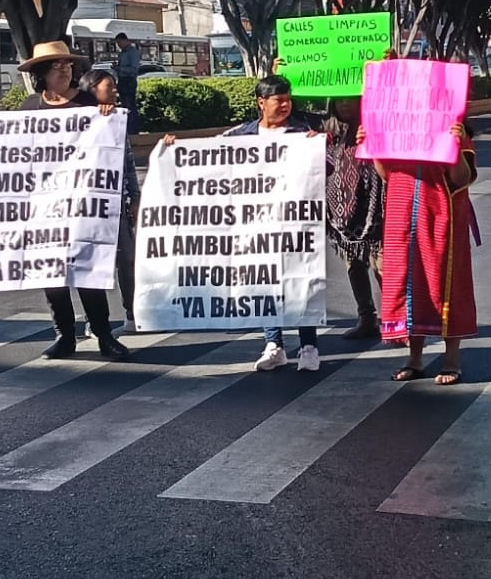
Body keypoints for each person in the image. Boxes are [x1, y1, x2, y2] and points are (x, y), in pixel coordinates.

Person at [167, 76, 326, 371]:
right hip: (257, 225)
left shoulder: (303, 133)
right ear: (261, 103)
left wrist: (316, 148)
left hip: (295, 223)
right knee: (264, 280)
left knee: (301, 280)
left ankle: (308, 347)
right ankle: (274, 344)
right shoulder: (241, 136)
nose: (285, 105)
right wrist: (175, 147)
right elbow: (205, 156)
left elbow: (324, 170)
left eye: (288, 99)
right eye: (279, 100)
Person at [359, 84, 478, 387]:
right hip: (401, 217)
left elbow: (462, 179)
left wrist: (453, 146)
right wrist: (372, 146)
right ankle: (415, 359)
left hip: (441, 217)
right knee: (409, 284)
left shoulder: (453, 130)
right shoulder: (395, 128)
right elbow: (388, 174)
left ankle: (453, 360)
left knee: (445, 284)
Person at [19, 41, 130, 361]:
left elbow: (111, 148)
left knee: (86, 271)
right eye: (58, 66)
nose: (66, 69)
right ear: (42, 73)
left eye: (69, 64)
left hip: (83, 204)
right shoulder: (29, 108)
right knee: (51, 273)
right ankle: (64, 335)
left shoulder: (88, 103)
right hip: (44, 207)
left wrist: (107, 116)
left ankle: (103, 334)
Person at [78, 67, 140, 336]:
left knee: (127, 261)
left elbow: (127, 163)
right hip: (86, 207)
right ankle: (96, 321)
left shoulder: (117, 121)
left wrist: (134, 197)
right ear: (92, 90)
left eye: (115, 86)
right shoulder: (76, 120)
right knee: (93, 264)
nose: (115, 90)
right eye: (109, 86)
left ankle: (133, 314)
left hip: (116, 204)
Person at [323, 97, 385, 341]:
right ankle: (366, 318)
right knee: (355, 267)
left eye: (351, 100)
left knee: (384, 268)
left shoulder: (373, 124)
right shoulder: (327, 130)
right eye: (340, 101)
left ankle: (395, 319)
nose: (345, 105)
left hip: (374, 209)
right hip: (343, 216)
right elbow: (294, 113)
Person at [114, 32, 141, 112]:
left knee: (130, 105)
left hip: (129, 80)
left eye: (119, 42)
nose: (119, 45)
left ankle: (132, 122)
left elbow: (134, 69)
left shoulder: (133, 52)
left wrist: (120, 68)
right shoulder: (122, 53)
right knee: (124, 104)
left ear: (125, 40)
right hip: (122, 80)